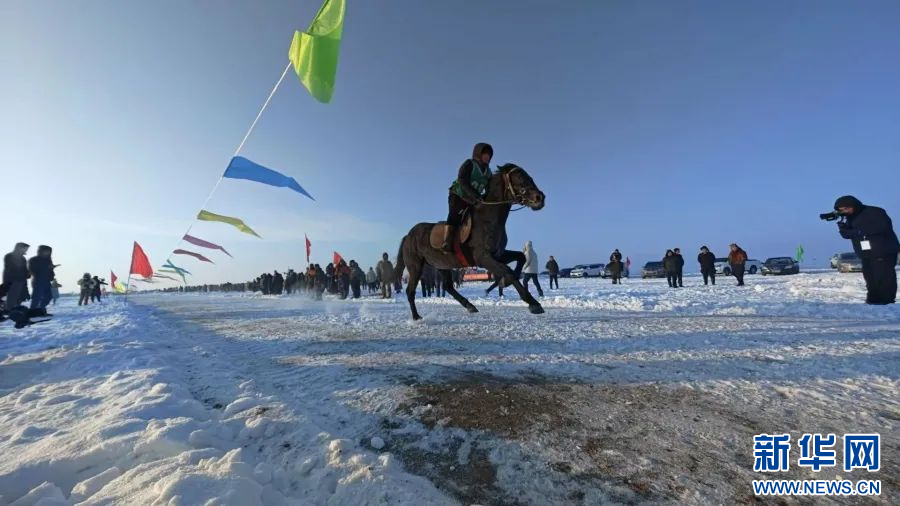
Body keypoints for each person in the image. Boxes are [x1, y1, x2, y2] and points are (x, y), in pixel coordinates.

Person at [834, 195, 899, 304]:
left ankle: (887, 302)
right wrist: (843, 228)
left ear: (854, 205)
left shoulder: (875, 211)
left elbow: (883, 226)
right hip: (866, 254)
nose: (845, 211)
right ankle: (873, 301)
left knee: (883, 278)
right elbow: (847, 235)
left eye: (846, 208)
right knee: (870, 278)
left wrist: (857, 231)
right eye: (841, 210)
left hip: (883, 251)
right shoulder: (850, 218)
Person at [444, 143, 493, 250]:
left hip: (473, 200)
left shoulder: (488, 173)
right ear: (478, 154)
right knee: (455, 214)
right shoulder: (469, 163)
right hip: (458, 194)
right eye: (485, 154)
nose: (487, 157)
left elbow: (490, 189)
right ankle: (446, 241)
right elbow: (462, 180)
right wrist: (476, 195)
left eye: (489, 156)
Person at [28, 245, 55, 317]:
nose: (47, 253)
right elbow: (32, 270)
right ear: (41, 251)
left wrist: (51, 269)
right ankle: (32, 313)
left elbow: (50, 271)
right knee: (36, 298)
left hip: (47, 281)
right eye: (46, 251)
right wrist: (46, 268)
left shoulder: (48, 260)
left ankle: (41, 310)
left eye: (49, 251)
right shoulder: (33, 259)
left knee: (49, 296)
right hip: (37, 281)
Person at [2, 243, 30, 311]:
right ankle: (8, 310)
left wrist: (28, 274)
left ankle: (15, 311)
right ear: (19, 248)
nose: (26, 250)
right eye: (25, 248)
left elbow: (24, 269)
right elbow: (10, 268)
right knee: (12, 297)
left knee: (20, 297)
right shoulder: (9, 256)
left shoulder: (23, 258)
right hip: (12, 280)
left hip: (21, 280)